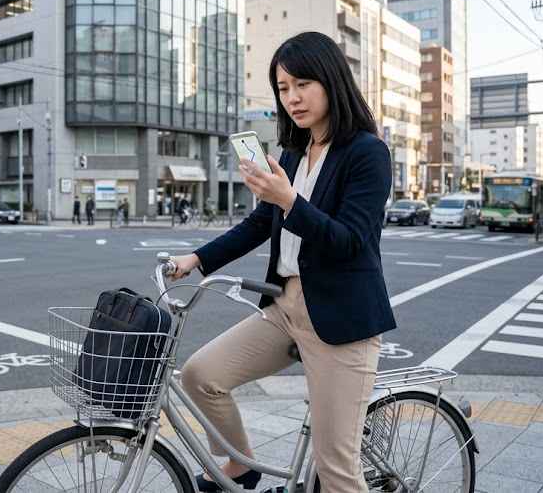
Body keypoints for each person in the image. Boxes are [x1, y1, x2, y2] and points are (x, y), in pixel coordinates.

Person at [168, 31, 395, 492]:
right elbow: (258, 226)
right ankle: (241, 466)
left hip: (342, 319)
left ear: (332, 81)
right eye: (283, 88)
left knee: (335, 470)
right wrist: (195, 258)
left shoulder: (368, 152)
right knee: (200, 376)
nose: (292, 97)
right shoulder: (292, 154)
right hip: (284, 308)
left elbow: (350, 241)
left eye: (303, 84)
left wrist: (290, 201)